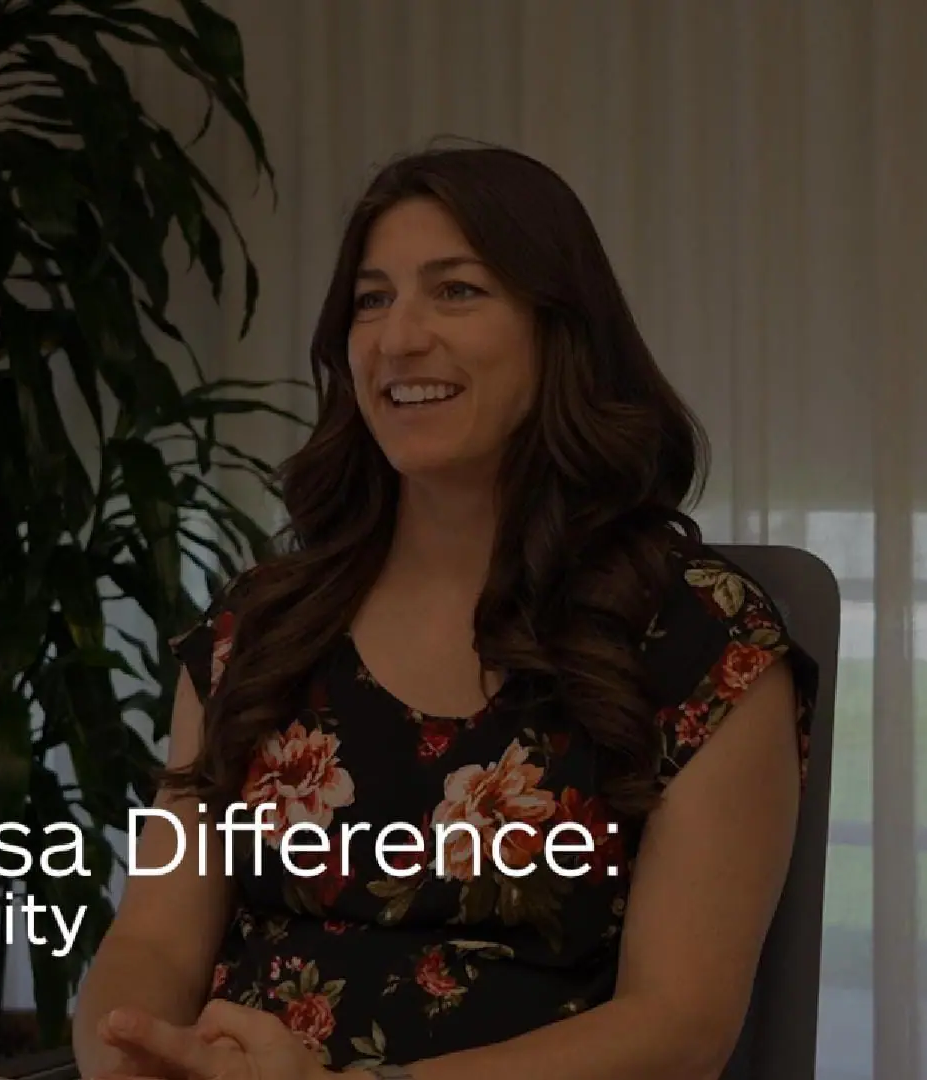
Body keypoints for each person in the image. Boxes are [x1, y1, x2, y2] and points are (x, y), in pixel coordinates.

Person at [70, 142, 818, 1080]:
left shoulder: (704, 638)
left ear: (560, 331)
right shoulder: (257, 629)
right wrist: (134, 1056)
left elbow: (679, 1027)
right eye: (371, 300)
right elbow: (153, 941)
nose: (398, 337)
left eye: (456, 291)